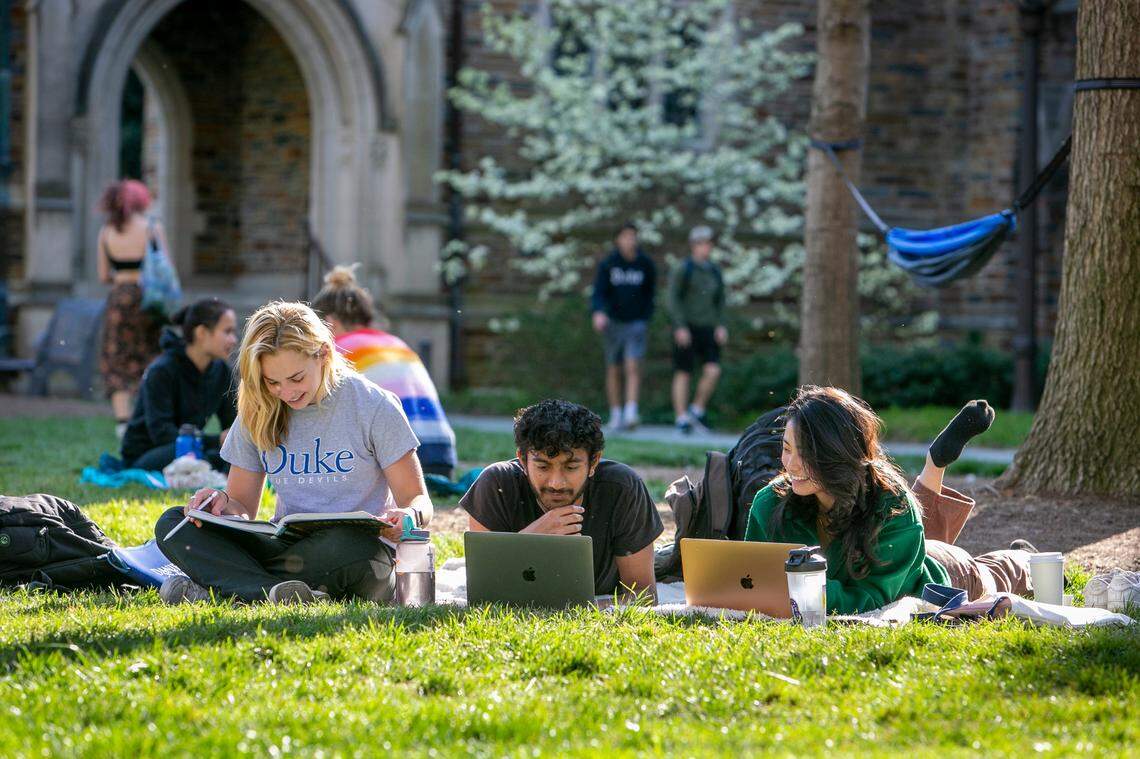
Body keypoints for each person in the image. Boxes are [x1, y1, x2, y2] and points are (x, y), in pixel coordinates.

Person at [154, 301, 435, 605]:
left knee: (352, 549)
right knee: (174, 524)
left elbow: (419, 501)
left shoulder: (373, 405)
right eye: (272, 382)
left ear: (324, 355)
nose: (286, 393)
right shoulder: (258, 408)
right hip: (285, 547)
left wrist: (409, 515)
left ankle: (229, 587)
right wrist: (220, 504)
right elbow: (242, 508)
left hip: (355, 552)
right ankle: (272, 592)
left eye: (296, 378)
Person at [745, 386, 1035, 614]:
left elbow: (875, 600)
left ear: (837, 453)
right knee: (913, 521)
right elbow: (749, 576)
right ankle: (933, 466)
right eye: (785, 448)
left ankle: (1025, 559)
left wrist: (799, 589)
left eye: (805, 453)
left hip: (935, 575)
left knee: (988, 573)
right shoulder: (770, 502)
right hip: (897, 545)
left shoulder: (895, 508)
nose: (790, 464)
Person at [461, 399, 662, 602]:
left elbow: (644, 596)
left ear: (593, 462)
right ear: (522, 460)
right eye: (543, 467)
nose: (556, 483)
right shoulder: (495, 484)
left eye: (571, 467)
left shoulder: (622, 488)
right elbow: (483, 591)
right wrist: (529, 540)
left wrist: (581, 610)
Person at [311, 265, 458, 478]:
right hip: (440, 457)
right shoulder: (398, 344)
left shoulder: (336, 349)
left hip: (399, 461)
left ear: (329, 323)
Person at [119, 298, 238, 473]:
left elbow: (232, 423)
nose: (233, 340)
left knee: (235, 458)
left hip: (192, 448)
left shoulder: (221, 371)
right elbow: (162, 434)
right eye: (227, 332)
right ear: (202, 333)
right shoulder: (162, 370)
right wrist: (216, 441)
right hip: (151, 453)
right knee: (197, 458)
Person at [96, 179, 166, 438]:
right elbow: (164, 267)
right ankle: (148, 413)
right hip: (148, 299)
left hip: (119, 299)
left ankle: (123, 423)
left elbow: (103, 275)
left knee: (117, 358)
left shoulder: (106, 232)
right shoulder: (151, 227)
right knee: (150, 353)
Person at [590, 223, 656, 432]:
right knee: (613, 368)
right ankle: (616, 413)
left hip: (636, 322)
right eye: (625, 236)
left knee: (632, 365)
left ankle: (631, 412)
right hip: (613, 323)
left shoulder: (645, 264)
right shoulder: (609, 264)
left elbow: (650, 293)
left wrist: (645, 316)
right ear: (618, 239)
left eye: (633, 236)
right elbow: (599, 292)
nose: (630, 240)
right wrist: (599, 312)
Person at [667, 225, 727, 435]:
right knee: (683, 371)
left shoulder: (714, 271)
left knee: (713, 370)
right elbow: (673, 298)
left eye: (708, 243)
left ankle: (697, 409)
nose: (706, 247)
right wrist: (680, 326)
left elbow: (720, 300)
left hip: (708, 327)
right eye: (701, 243)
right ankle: (681, 417)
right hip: (687, 327)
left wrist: (720, 324)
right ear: (693, 246)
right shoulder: (684, 269)